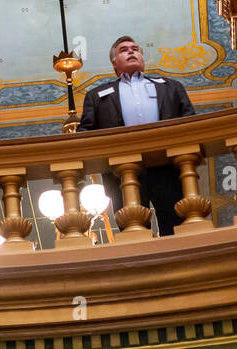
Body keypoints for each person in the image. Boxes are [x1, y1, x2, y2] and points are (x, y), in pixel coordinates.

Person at [79, 36, 197, 236]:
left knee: (176, 228)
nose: (131, 51)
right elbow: (85, 133)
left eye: (135, 49)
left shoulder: (170, 87)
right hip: (122, 172)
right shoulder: (97, 96)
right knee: (133, 232)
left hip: (168, 168)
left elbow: (190, 122)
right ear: (115, 64)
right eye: (124, 50)